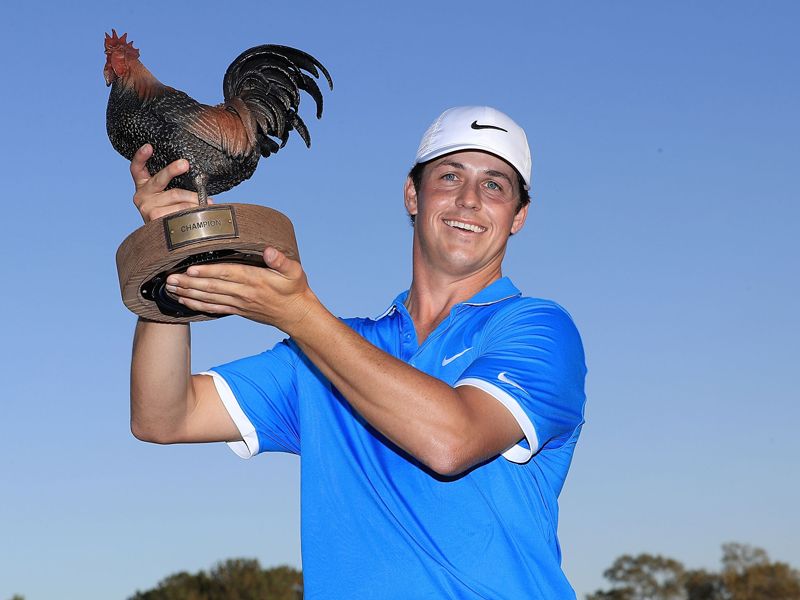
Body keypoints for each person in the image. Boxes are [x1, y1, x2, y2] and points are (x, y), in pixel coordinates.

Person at [129, 106, 587, 599]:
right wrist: (169, 253)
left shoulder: (537, 328)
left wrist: (301, 316)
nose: (470, 199)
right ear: (413, 194)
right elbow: (163, 416)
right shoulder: (327, 350)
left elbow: (451, 442)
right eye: (450, 176)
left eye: (495, 185)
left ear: (518, 216)